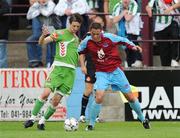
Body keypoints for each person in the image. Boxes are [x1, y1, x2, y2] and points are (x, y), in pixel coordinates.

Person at [78, 22, 150, 131]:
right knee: (99, 96)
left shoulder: (109, 37)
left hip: (116, 71)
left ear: (101, 32)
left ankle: (142, 118)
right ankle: (91, 124)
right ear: (90, 32)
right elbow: (80, 52)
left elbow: (123, 40)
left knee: (130, 96)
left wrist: (133, 46)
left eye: (97, 34)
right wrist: (83, 65)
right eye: (93, 34)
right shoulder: (87, 41)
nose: (95, 36)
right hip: (101, 73)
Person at [24, 13, 83, 130]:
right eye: (74, 26)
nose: (75, 29)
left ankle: (42, 122)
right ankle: (31, 118)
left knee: (56, 101)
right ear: (69, 23)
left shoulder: (77, 39)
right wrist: (43, 35)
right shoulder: (60, 33)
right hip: (58, 69)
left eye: (78, 27)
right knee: (46, 93)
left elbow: (79, 55)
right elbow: (41, 43)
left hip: (70, 73)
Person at [79, 16, 105, 123]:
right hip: (90, 66)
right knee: (88, 90)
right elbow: (81, 51)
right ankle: (82, 115)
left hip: (101, 68)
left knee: (98, 92)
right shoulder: (87, 37)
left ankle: (96, 116)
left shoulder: (105, 37)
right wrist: (82, 65)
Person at [146, 0, 180, 67]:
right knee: (163, 48)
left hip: (171, 21)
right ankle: (165, 67)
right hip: (159, 26)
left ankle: (174, 59)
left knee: (175, 37)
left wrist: (171, 8)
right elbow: (148, 6)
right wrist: (148, 9)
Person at [112, 0, 143, 67]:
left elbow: (128, 18)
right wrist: (123, 12)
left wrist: (125, 10)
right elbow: (114, 20)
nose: (126, 0)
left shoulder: (133, 4)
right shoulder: (117, 6)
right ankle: (129, 63)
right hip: (122, 30)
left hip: (132, 29)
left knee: (132, 42)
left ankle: (138, 60)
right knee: (126, 46)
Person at [26, 0, 56, 68]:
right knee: (30, 40)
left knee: (51, 42)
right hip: (42, 28)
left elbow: (47, 13)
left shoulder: (51, 3)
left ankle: (50, 62)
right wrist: (38, 10)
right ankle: (35, 62)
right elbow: (28, 16)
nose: (42, 0)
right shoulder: (36, 4)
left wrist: (38, 10)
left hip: (52, 27)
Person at [0, 0, 10, 68]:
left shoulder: (4, 3)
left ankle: (2, 72)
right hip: (2, 34)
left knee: (2, 57)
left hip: (2, 35)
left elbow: (5, 11)